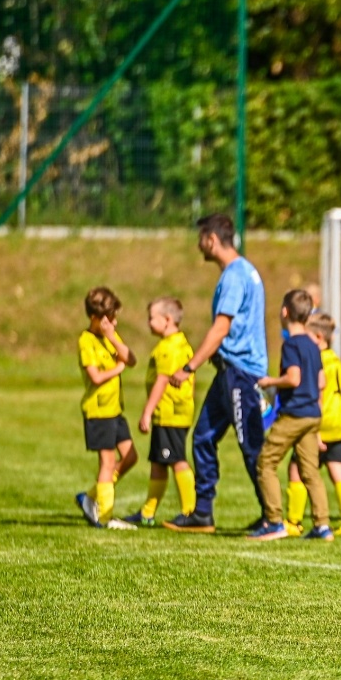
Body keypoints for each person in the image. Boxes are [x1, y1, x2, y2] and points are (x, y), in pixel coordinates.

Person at [165, 212, 268, 534]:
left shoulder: (236, 276)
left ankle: (274, 516)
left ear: (211, 239)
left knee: (251, 444)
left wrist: (189, 367)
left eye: (201, 239)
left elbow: (221, 327)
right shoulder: (242, 272)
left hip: (242, 374)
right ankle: (203, 513)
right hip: (229, 372)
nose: (199, 245)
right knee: (203, 437)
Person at [252, 290, 331, 542]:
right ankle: (322, 526)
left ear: (285, 312)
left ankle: (274, 523)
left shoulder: (292, 344)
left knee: (266, 463)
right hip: (312, 415)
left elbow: (293, 377)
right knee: (310, 472)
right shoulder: (312, 344)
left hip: (294, 415)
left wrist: (269, 382)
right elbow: (321, 381)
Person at [124, 297, 196, 527]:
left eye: (151, 318)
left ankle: (190, 511)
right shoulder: (178, 343)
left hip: (169, 413)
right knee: (158, 462)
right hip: (172, 412)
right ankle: (147, 512)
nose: (148, 322)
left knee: (176, 460)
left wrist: (147, 412)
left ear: (167, 320)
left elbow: (162, 381)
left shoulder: (169, 348)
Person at [74, 287, 139, 529]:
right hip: (98, 410)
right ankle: (104, 517)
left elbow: (131, 359)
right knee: (108, 463)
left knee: (131, 457)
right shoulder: (86, 341)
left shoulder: (109, 335)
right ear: (94, 318)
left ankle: (90, 497)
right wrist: (117, 369)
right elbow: (95, 377)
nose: (114, 322)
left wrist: (112, 337)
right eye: (109, 318)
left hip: (114, 410)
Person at [308, 314, 341, 536]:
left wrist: (315, 430)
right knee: (339, 470)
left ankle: (293, 521)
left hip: (324, 422)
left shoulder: (318, 362)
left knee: (297, 471)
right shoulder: (335, 359)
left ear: (319, 337)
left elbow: (319, 397)